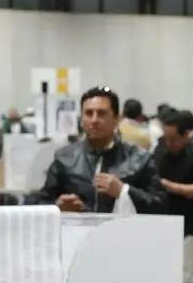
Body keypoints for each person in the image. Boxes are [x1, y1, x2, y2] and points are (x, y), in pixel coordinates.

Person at [35, 87, 168, 216]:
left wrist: (124, 191)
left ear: (117, 119)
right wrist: (58, 207)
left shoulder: (139, 158)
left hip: (123, 230)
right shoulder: (65, 158)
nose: (94, 120)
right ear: (81, 119)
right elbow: (41, 203)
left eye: (101, 113)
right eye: (88, 113)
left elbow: (161, 207)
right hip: (77, 230)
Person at [153, 108, 193, 283]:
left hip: (189, 225)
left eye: (173, 139)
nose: (169, 143)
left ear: (186, 135)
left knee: (185, 276)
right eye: (166, 138)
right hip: (163, 222)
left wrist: (173, 187)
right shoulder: (159, 151)